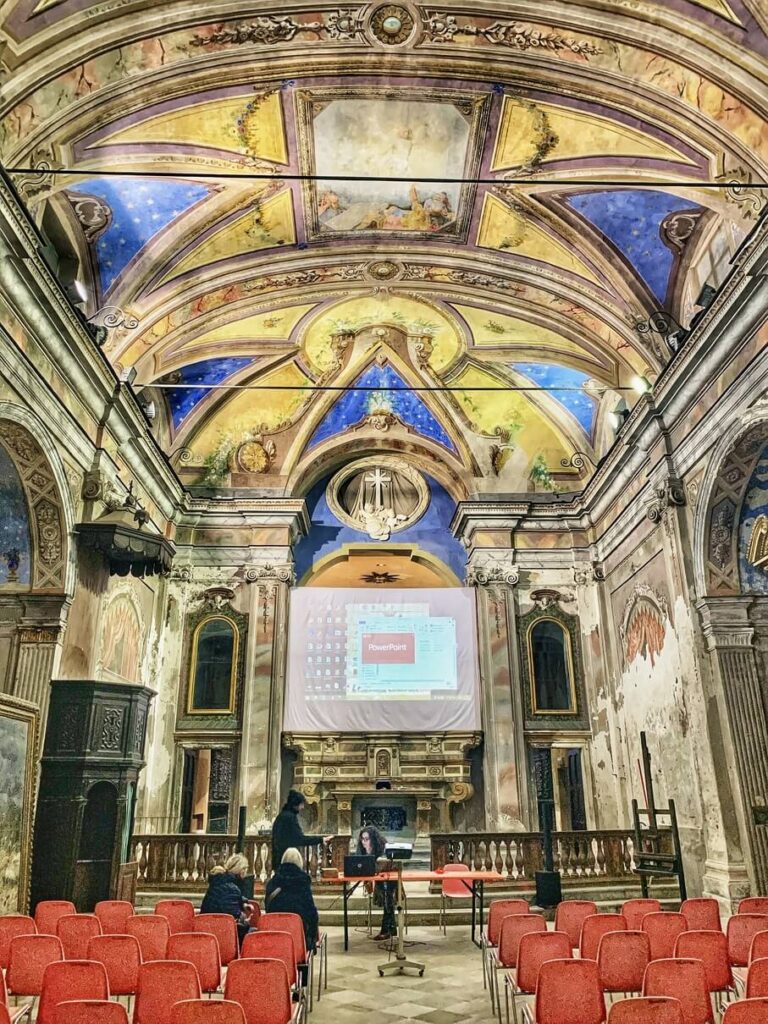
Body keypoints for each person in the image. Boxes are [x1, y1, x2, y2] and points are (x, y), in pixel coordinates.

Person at [265, 847, 319, 957]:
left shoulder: (273, 882)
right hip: (298, 938)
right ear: (300, 862)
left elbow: (268, 908)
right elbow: (311, 912)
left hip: (275, 938)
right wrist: (312, 936)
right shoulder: (303, 882)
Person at [271, 789, 332, 869]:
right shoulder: (289, 817)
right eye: (301, 804)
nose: (302, 807)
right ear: (295, 805)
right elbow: (299, 839)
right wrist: (320, 839)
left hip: (279, 857)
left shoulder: (283, 815)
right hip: (286, 859)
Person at [200, 853, 252, 945]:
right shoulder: (232, 888)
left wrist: (243, 902)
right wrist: (246, 922)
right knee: (254, 933)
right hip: (224, 937)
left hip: (207, 932)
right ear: (242, 871)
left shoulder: (217, 883)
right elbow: (234, 918)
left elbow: (227, 898)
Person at [357, 824, 396, 941]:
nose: (364, 842)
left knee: (386, 894)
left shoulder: (383, 848)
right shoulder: (363, 849)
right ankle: (391, 928)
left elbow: (382, 866)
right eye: (362, 839)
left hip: (389, 879)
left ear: (373, 839)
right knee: (385, 894)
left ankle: (386, 929)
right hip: (377, 880)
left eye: (367, 839)